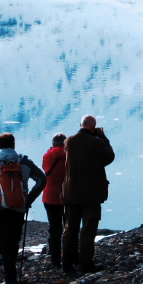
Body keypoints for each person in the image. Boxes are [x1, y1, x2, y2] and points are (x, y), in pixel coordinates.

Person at [0, 132, 46, 284]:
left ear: (0, 145)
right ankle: (12, 278)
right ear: (14, 144)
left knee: (3, 243)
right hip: (19, 207)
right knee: (14, 241)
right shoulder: (24, 162)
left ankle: (9, 279)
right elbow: (42, 179)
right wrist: (28, 199)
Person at [62, 115, 114, 275]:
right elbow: (109, 157)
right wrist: (102, 137)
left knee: (70, 228)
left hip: (71, 192)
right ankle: (86, 263)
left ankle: (67, 263)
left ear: (80, 124)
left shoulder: (68, 141)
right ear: (94, 127)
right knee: (88, 229)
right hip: (91, 194)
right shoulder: (96, 143)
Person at [41, 133, 68, 269]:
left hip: (50, 196)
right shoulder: (69, 155)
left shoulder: (47, 156)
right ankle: (70, 257)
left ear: (53, 143)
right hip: (68, 195)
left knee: (54, 228)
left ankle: (55, 259)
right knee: (70, 227)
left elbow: (45, 169)